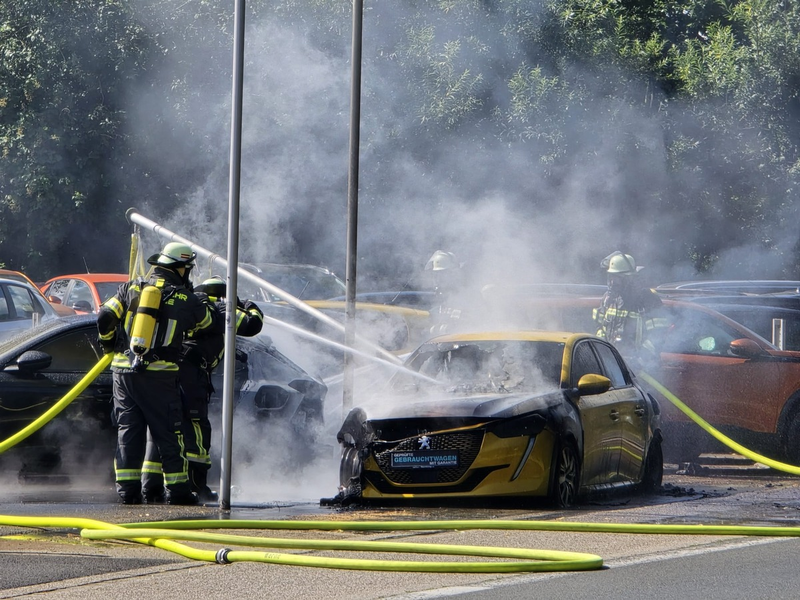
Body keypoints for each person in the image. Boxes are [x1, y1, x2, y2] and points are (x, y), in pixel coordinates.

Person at [97, 242, 216, 505]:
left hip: (122, 373)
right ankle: (178, 491)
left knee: (128, 432)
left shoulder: (131, 287)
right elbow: (207, 323)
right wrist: (200, 300)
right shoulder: (186, 299)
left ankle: (128, 492)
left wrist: (108, 344)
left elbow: (105, 315)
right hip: (159, 376)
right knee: (169, 433)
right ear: (181, 268)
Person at [141, 276, 264, 503]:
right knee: (196, 429)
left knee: (162, 427)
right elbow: (252, 324)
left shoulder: (187, 305)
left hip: (165, 372)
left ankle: (151, 487)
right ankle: (197, 486)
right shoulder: (218, 308)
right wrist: (246, 304)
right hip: (190, 376)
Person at [594, 251, 662, 359]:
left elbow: (658, 337)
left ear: (628, 278)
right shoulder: (608, 299)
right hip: (612, 362)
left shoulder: (648, 300)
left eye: (616, 278)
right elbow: (599, 327)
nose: (612, 282)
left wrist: (640, 361)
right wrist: (603, 352)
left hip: (641, 365)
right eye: (610, 277)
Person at [425, 250, 467, 335]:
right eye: (436, 275)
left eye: (443, 274)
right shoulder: (442, 298)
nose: (438, 279)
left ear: (453, 274)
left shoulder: (467, 296)